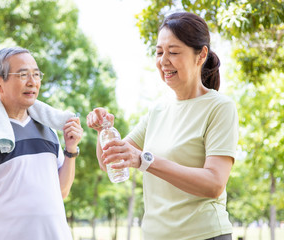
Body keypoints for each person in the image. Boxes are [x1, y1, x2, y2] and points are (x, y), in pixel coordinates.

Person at [87, 12, 238, 240]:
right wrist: (104, 131)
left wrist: (144, 160)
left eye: (174, 52)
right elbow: (109, 162)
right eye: (159, 52)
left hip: (205, 235)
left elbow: (214, 183)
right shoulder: (157, 110)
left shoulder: (220, 107)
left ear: (201, 55)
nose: (163, 61)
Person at [0, 47, 83, 240]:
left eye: (36, 74)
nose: (33, 82)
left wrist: (71, 149)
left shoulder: (49, 128)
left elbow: (62, 191)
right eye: (23, 74)